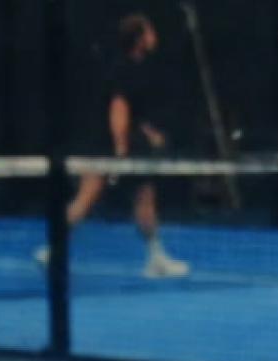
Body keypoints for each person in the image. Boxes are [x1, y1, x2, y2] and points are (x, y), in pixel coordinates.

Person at [36, 13, 190, 279]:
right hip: (108, 148)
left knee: (144, 199)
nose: (154, 36)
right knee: (87, 200)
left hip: (126, 146)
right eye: (150, 32)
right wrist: (120, 151)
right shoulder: (124, 69)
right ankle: (51, 250)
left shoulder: (137, 68)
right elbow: (118, 109)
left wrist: (149, 133)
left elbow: (133, 113)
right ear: (139, 39)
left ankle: (156, 259)